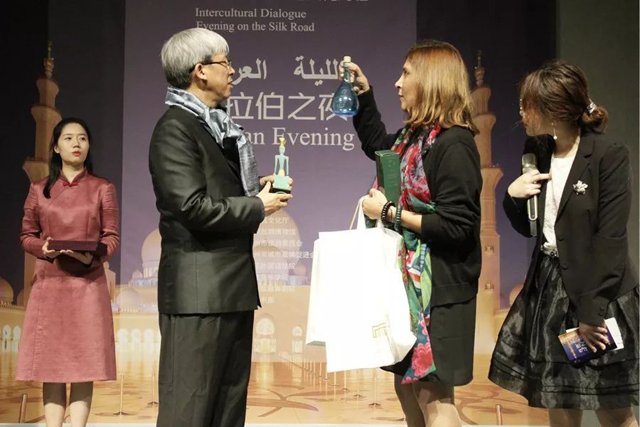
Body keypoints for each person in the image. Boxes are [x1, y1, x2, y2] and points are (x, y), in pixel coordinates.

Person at [149, 28, 292, 427]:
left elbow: (217, 192)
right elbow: (192, 207)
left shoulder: (215, 126)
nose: (232, 71)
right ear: (200, 71)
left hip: (232, 288)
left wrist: (259, 191)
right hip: (199, 294)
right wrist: (256, 206)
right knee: (189, 411)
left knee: (227, 411)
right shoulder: (175, 128)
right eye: (225, 62)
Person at [489, 61, 639, 427]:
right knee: (558, 399)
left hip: (597, 292)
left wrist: (591, 313)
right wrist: (511, 197)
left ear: (554, 110)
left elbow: (611, 240)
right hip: (549, 289)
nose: (522, 114)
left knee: (611, 407)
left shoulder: (608, 154)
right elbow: (531, 229)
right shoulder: (537, 151)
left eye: (529, 106)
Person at [346, 40, 483, 426]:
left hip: (439, 293)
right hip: (405, 289)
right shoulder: (414, 137)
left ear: (431, 81)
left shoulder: (454, 144)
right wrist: (364, 96)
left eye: (406, 74)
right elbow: (379, 147)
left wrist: (389, 213)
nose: (398, 83)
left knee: (434, 397)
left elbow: (457, 226)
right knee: (407, 387)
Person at [17, 118, 119, 427]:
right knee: (52, 367)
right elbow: (26, 236)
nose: (77, 143)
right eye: (69, 138)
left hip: (88, 286)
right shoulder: (39, 189)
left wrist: (94, 253)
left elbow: (111, 238)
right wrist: (44, 248)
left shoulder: (103, 188)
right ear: (56, 147)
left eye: (83, 138)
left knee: (84, 366)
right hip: (51, 286)